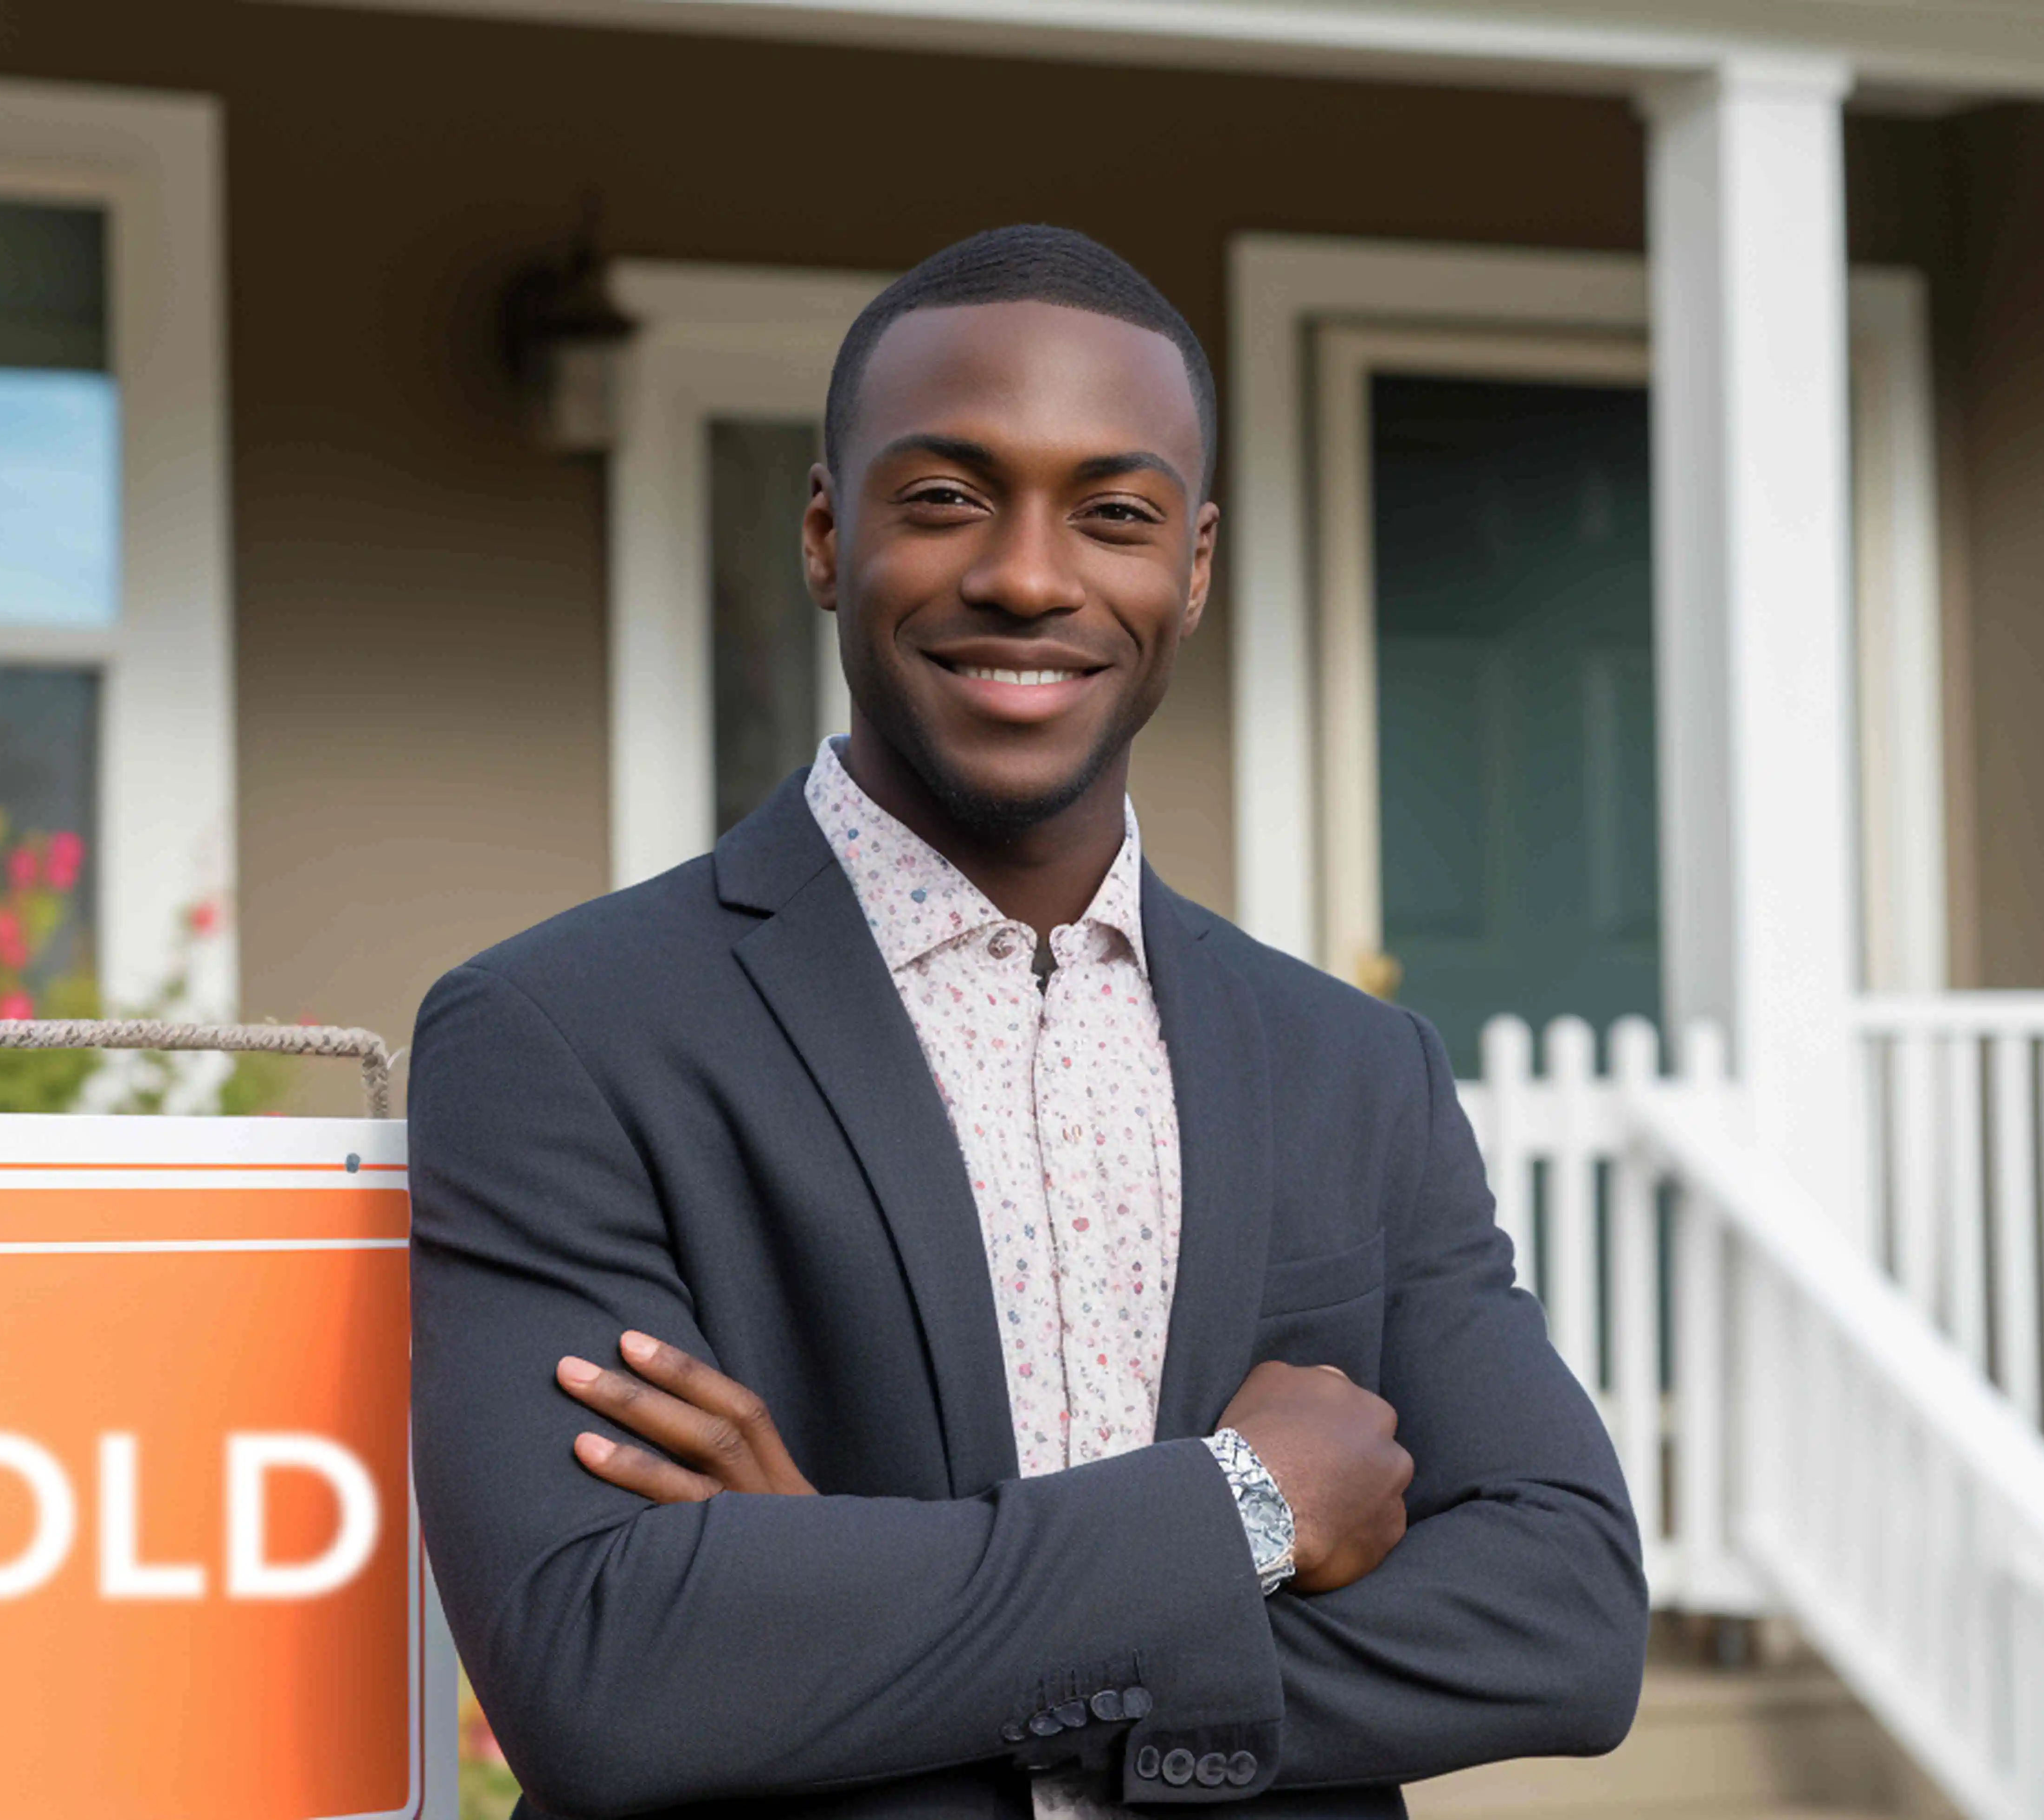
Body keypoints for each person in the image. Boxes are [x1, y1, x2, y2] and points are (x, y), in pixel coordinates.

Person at [408, 225, 1645, 1820]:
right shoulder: (560, 1035)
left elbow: (1567, 1621)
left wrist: (857, 1633)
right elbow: (607, 1670)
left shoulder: (1354, 1068)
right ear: (825, 535)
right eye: (945, 501)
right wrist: (1245, 1511)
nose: (1031, 576)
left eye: (1115, 516)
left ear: (1191, 570)